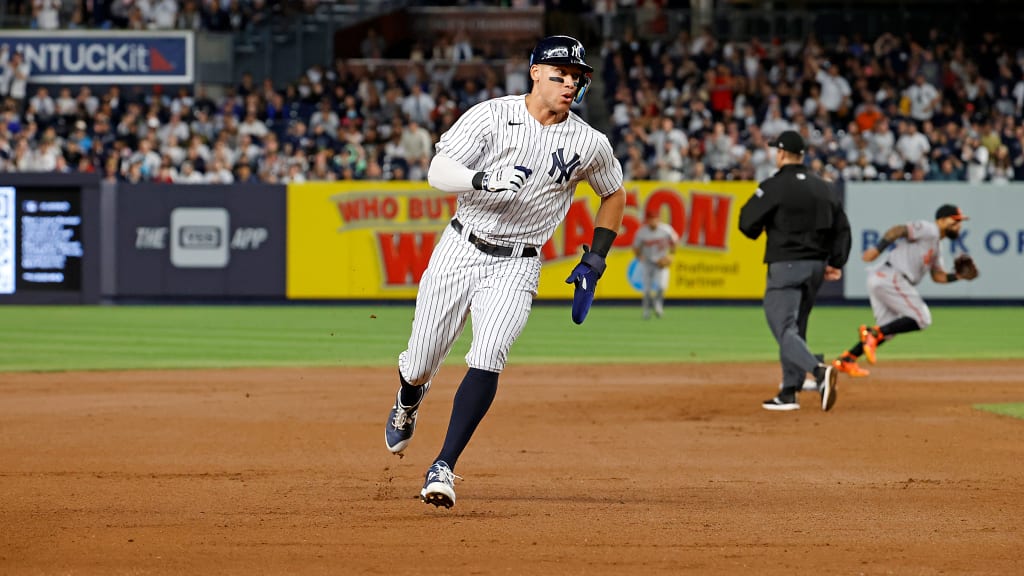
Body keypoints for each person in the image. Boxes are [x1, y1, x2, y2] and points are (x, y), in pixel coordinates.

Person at [383, 35, 626, 508]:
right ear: (535, 72)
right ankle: (408, 400)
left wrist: (595, 258)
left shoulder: (589, 142)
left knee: (489, 353)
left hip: (519, 262)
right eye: (560, 75)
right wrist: (480, 179)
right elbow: (437, 171)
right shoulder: (491, 116)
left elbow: (613, 193)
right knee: (420, 360)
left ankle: (443, 467)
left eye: (576, 78)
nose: (569, 84)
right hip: (460, 246)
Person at [738, 130, 851, 412]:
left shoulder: (775, 186)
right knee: (796, 327)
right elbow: (843, 229)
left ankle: (819, 371)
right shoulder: (824, 187)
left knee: (783, 327)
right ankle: (789, 391)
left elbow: (746, 222)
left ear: (780, 153)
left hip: (786, 265)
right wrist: (836, 262)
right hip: (816, 267)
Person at [832, 204, 974, 376]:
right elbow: (899, 230)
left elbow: (938, 276)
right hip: (893, 276)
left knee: (888, 330)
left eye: (961, 221)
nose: (959, 225)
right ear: (942, 220)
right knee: (922, 318)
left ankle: (847, 359)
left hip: (883, 278)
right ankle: (872, 333)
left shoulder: (936, 246)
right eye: (956, 220)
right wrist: (878, 249)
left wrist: (958, 276)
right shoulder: (929, 229)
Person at [632, 208, 679, 319]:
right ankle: (646, 310)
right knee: (647, 290)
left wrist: (670, 256)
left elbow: (675, 242)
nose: (653, 221)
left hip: (661, 261)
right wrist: (640, 257)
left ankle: (658, 305)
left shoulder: (666, 230)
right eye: (651, 219)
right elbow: (636, 247)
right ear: (647, 220)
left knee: (662, 287)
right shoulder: (642, 232)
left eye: (655, 219)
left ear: (659, 219)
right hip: (648, 262)